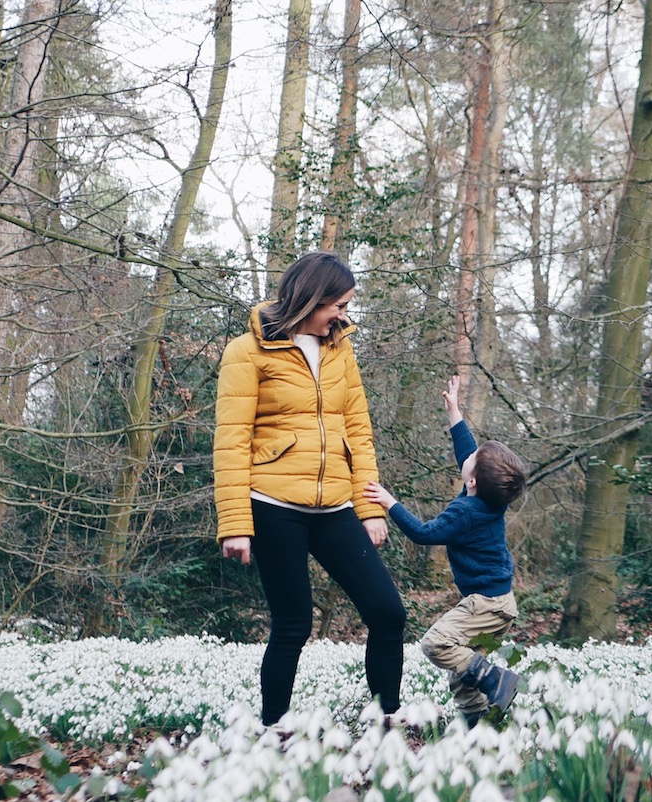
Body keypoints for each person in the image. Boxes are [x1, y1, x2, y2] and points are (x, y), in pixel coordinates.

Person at [214, 251, 406, 728]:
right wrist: (235, 524)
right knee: (294, 622)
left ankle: (387, 715)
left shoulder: (342, 351)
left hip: (335, 506)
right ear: (310, 298)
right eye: (338, 305)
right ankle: (274, 727)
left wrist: (370, 508)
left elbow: (358, 431)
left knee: (388, 612)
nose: (343, 315)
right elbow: (232, 441)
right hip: (273, 504)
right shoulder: (247, 351)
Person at [363, 375, 525, 728]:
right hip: (499, 603)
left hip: (486, 605)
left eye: (474, 459)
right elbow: (468, 451)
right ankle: (478, 727)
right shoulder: (489, 500)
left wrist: (389, 502)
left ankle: (495, 680)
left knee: (436, 643)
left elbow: (423, 533)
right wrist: (454, 411)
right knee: (462, 671)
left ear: (472, 480)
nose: (470, 455)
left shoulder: (465, 512)